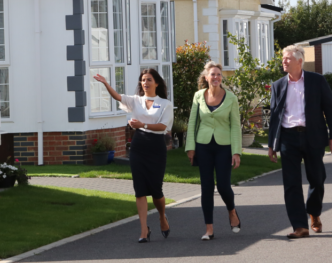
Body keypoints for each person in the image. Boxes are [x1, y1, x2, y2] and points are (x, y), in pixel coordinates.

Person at [267, 44, 332, 239]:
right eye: (283, 58)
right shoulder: (278, 85)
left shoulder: (317, 81)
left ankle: (314, 212)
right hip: (288, 137)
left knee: (317, 178)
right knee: (291, 183)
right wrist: (272, 145)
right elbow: (275, 116)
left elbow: (330, 110)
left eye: (288, 58)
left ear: (300, 61)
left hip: (312, 135)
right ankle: (300, 226)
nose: (284, 61)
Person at [93, 69, 173, 243]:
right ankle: (144, 230)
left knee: (156, 190)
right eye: (143, 80)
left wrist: (142, 124)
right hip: (139, 146)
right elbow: (118, 97)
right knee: (140, 189)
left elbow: (162, 127)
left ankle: (161, 217)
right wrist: (106, 84)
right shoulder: (136, 101)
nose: (145, 83)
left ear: (157, 83)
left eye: (149, 80)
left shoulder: (165, 103)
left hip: (156, 147)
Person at [185, 61, 242, 240]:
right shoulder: (198, 96)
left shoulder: (231, 98)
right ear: (206, 77)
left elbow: (235, 126)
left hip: (224, 147)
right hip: (203, 146)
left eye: (219, 74)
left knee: (224, 186)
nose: (216, 77)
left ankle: (232, 211)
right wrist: (190, 147)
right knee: (206, 187)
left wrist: (236, 152)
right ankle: (209, 229)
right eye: (213, 74)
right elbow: (193, 122)